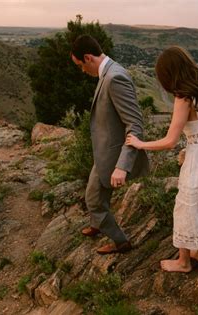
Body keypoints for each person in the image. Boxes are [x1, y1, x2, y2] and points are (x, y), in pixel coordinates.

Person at [126, 46, 198, 272]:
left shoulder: (183, 98)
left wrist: (141, 144)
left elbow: (170, 141)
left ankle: (183, 262)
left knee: (186, 208)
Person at [71, 35, 149, 255]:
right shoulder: (107, 72)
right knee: (93, 194)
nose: (81, 71)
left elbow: (134, 125)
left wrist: (122, 166)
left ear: (87, 57)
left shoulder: (114, 78)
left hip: (115, 155)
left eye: (80, 65)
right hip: (105, 152)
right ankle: (97, 224)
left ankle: (120, 242)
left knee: (93, 199)